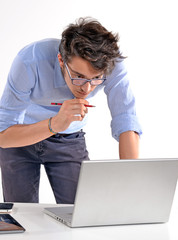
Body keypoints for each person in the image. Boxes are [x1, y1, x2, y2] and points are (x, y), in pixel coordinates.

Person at [0, 17, 142, 204]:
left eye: (96, 78)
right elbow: (3, 135)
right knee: (21, 217)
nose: (87, 88)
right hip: (21, 137)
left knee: (82, 212)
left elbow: (125, 117)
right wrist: (54, 124)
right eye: (78, 76)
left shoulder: (112, 62)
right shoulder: (30, 60)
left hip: (70, 140)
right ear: (61, 60)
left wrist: (130, 179)